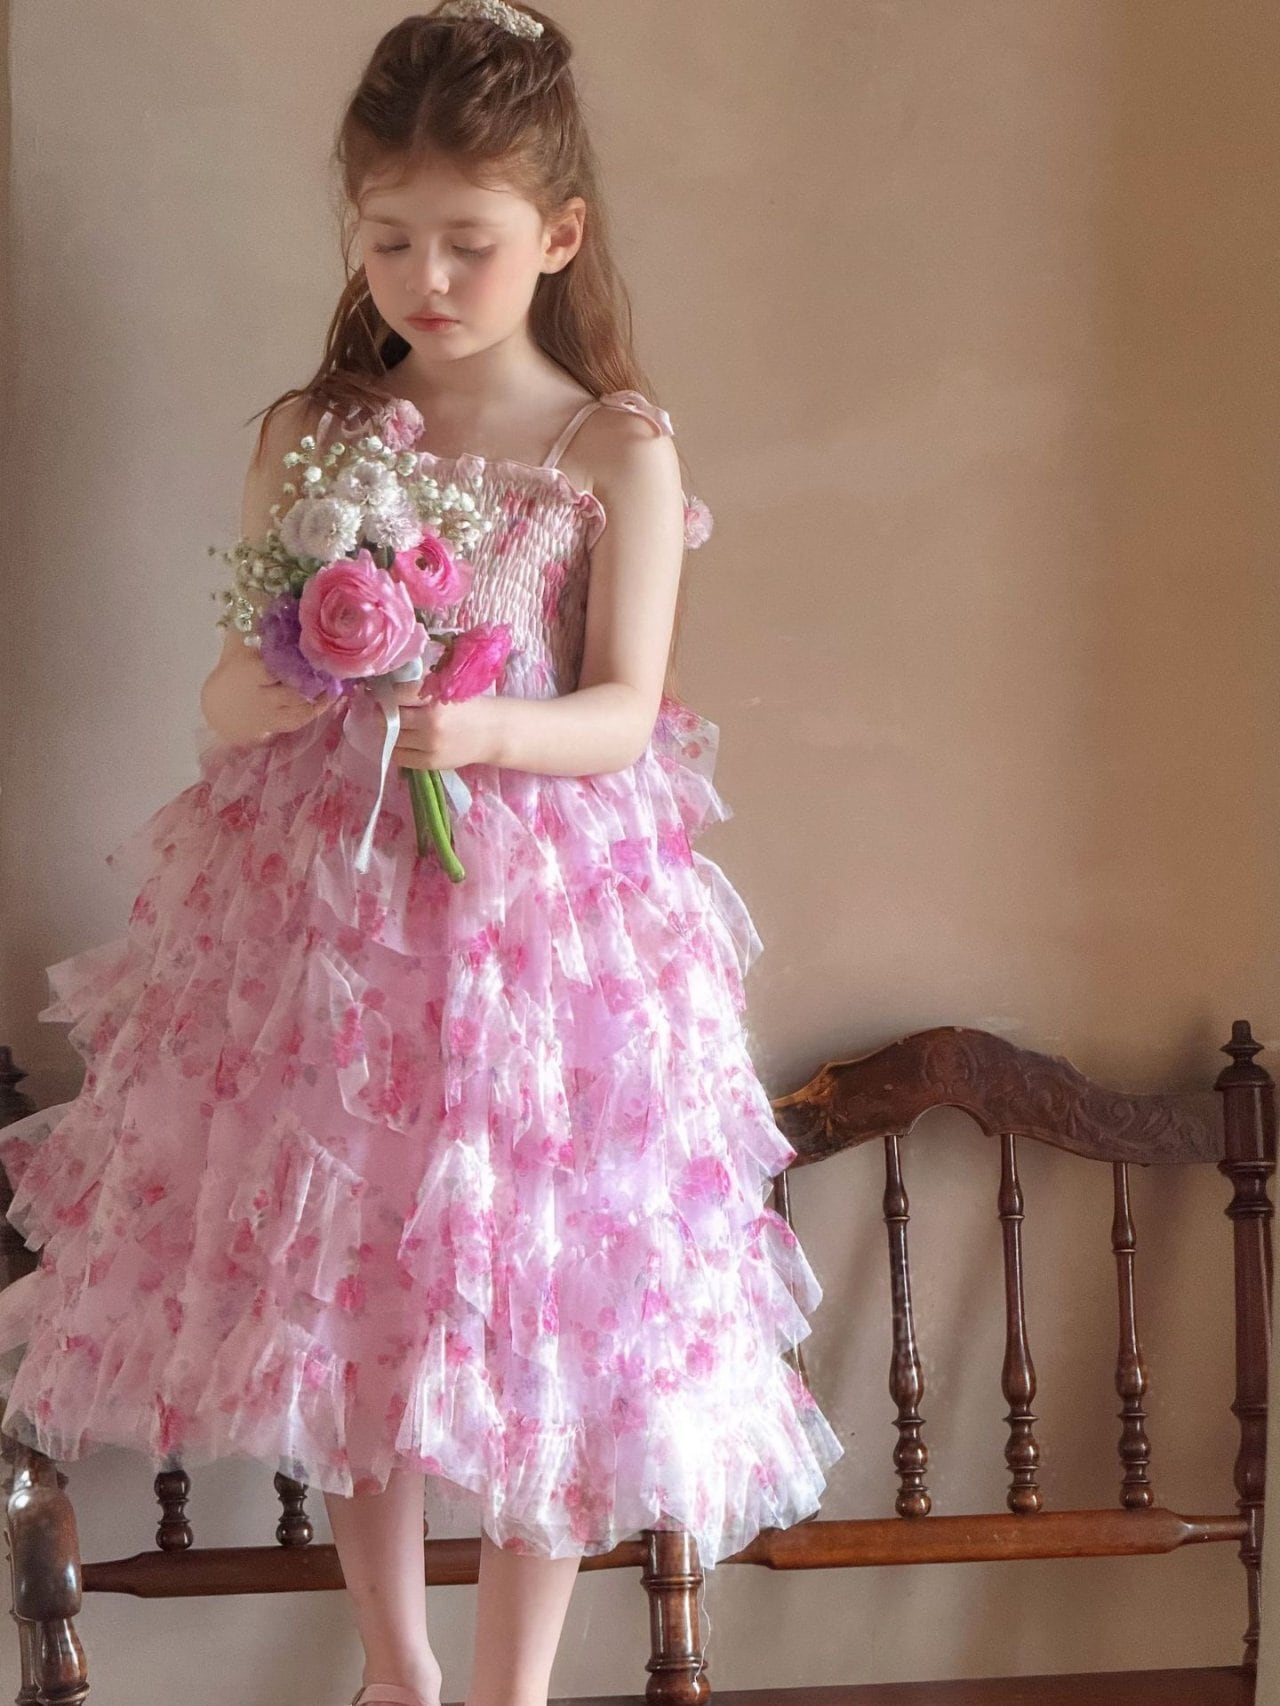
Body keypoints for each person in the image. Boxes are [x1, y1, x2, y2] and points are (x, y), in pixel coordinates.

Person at [0, 4, 843, 1703]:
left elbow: (624, 709)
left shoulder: (612, 445)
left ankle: (515, 1681)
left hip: (547, 942)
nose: (428, 278)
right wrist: (280, 677)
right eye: (391, 239)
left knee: (545, 1310)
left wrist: (485, 731)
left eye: (470, 241)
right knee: (360, 1287)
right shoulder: (313, 435)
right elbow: (227, 694)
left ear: (560, 236)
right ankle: (400, 1667)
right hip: (332, 926)